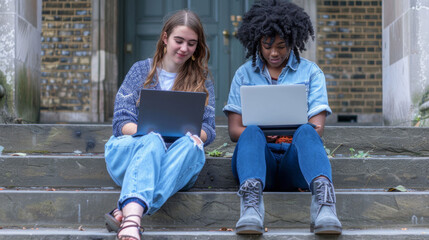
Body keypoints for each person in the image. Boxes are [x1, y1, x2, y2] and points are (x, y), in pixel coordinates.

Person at [222, 0, 342, 235]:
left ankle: (325, 206)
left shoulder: (310, 72)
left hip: (293, 163)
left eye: (281, 45)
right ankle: (251, 208)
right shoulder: (244, 74)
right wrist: (270, 132)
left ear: (293, 42)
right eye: (267, 46)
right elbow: (235, 130)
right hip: (257, 162)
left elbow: (316, 128)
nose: (274, 52)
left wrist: (282, 134)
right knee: (252, 130)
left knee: (306, 131)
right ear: (257, 41)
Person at [104, 10, 215, 240]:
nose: (184, 48)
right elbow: (121, 122)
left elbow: (209, 127)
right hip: (132, 153)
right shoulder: (140, 70)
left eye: (192, 43)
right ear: (165, 38)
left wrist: (197, 137)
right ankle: (133, 220)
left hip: (176, 160)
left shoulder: (201, 79)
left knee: (193, 147)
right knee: (153, 141)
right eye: (179, 40)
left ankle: (127, 212)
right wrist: (148, 134)